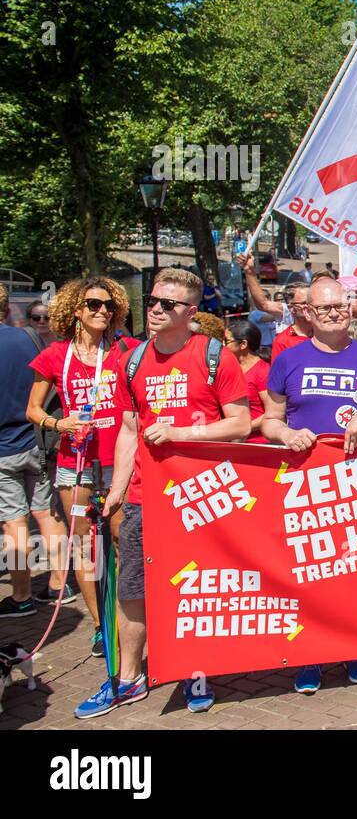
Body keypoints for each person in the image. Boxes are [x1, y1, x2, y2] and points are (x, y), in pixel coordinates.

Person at [76, 268, 250, 719]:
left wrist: (182, 431)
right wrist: (115, 488)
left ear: (190, 312)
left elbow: (240, 423)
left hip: (201, 493)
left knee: (195, 589)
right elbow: (129, 428)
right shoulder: (131, 360)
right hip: (142, 494)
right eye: (153, 300)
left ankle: (196, 672)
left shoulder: (215, 356)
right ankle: (128, 678)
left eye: (167, 304)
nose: (155, 309)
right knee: (132, 586)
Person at [262, 277, 357, 694]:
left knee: (353, 568)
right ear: (309, 314)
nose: (334, 313)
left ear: (351, 307)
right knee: (307, 572)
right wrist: (285, 436)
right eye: (324, 309)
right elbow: (269, 419)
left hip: (356, 481)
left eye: (340, 305)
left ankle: (355, 646)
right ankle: (310, 657)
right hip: (304, 482)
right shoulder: (287, 359)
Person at [24, 278, 138, 652]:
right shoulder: (55, 356)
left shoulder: (126, 349)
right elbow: (33, 410)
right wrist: (60, 424)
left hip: (117, 463)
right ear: (76, 310)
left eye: (108, 306)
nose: (102, 311)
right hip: (75, 463)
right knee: (86, 547)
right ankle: (102, 626)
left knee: (122, 542)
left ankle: (128, 619)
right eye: (93, 304)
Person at [0, 286, 65, 623]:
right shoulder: (28, 338)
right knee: (47, 514)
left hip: (3, 449)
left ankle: (22, 596)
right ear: (7, 308)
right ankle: (59, 585)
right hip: (35, 440)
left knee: (14, 523)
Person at [240, 253, 313, 361]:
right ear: (291, 307)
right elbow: (263, 304)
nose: (308, 307)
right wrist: (249, 271)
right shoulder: (282, 340)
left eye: (311, 302)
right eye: (303, 303)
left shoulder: (325, 323)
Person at [224, 319, 270, 443]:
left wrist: (243, 428)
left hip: (258, 444)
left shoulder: (263, 371)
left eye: (226, 341)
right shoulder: (228, 368)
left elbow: (272, 413)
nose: (222, 345)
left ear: (243, 344)